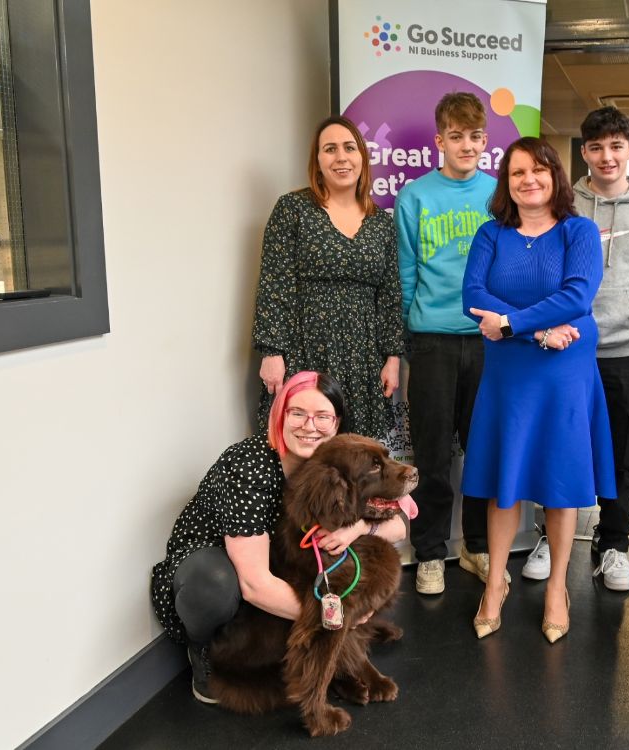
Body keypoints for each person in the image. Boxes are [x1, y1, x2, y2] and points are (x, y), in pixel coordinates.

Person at [150, 371, 410, 703]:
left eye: (322, 416)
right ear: (280, 415)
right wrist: (341, 617)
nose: (309, 425)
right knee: (214, 584)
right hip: (217, 561)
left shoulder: (340, 457)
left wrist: (359, 528)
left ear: (337, 423)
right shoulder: (248, 465)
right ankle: (202, 650)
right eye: (297, 413)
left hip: (279, 558)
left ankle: (342, 665)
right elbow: (256, 584)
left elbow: (400, 526)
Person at [462, 137, 616, 643]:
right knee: (505, 480)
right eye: (517, 173)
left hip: (564, 370)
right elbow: (474, 297)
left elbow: (577, 293)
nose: (529, 180)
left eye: (539, 170)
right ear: (506, 183)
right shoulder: (491, 234)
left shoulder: (580, 231)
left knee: (558, 478)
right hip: (512, 369)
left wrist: (509, 323)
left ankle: (557, 588)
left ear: (556, 176)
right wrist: (531, 331)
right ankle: (494, 585)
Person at [553, 106, 629, 592]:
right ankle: (551, 534)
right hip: (566, 350)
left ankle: (614, 543)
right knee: (561, 447)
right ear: (584, 152)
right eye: (596, 147)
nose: (607, 156)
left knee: (624, 449)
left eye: (616, 146)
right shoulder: (565, 208)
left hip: (627, 352)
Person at [395, 92, 501, 596]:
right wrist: (415, 328)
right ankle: (431, 551)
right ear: (439, 141)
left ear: (486, 141)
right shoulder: (416, 197)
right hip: (433, 339)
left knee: (482, 450)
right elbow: (407, 269)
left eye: (475, 136)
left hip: (488, 340)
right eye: (455, 136)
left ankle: (476, 546)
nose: (466, 145)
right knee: (433, 454)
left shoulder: (499, 194)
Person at [252, 116, 403, 440]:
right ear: (317, 161)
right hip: (304, 347)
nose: (341, 157)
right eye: (330, 149)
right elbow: (274, 282)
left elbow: (390, 294)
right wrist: (271, 352)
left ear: (362, 157)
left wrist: (393, 358)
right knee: (303, 446)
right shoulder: (293, 209)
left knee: (356, 455)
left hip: (364, 355)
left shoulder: (381, 224)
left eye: (349, 148)